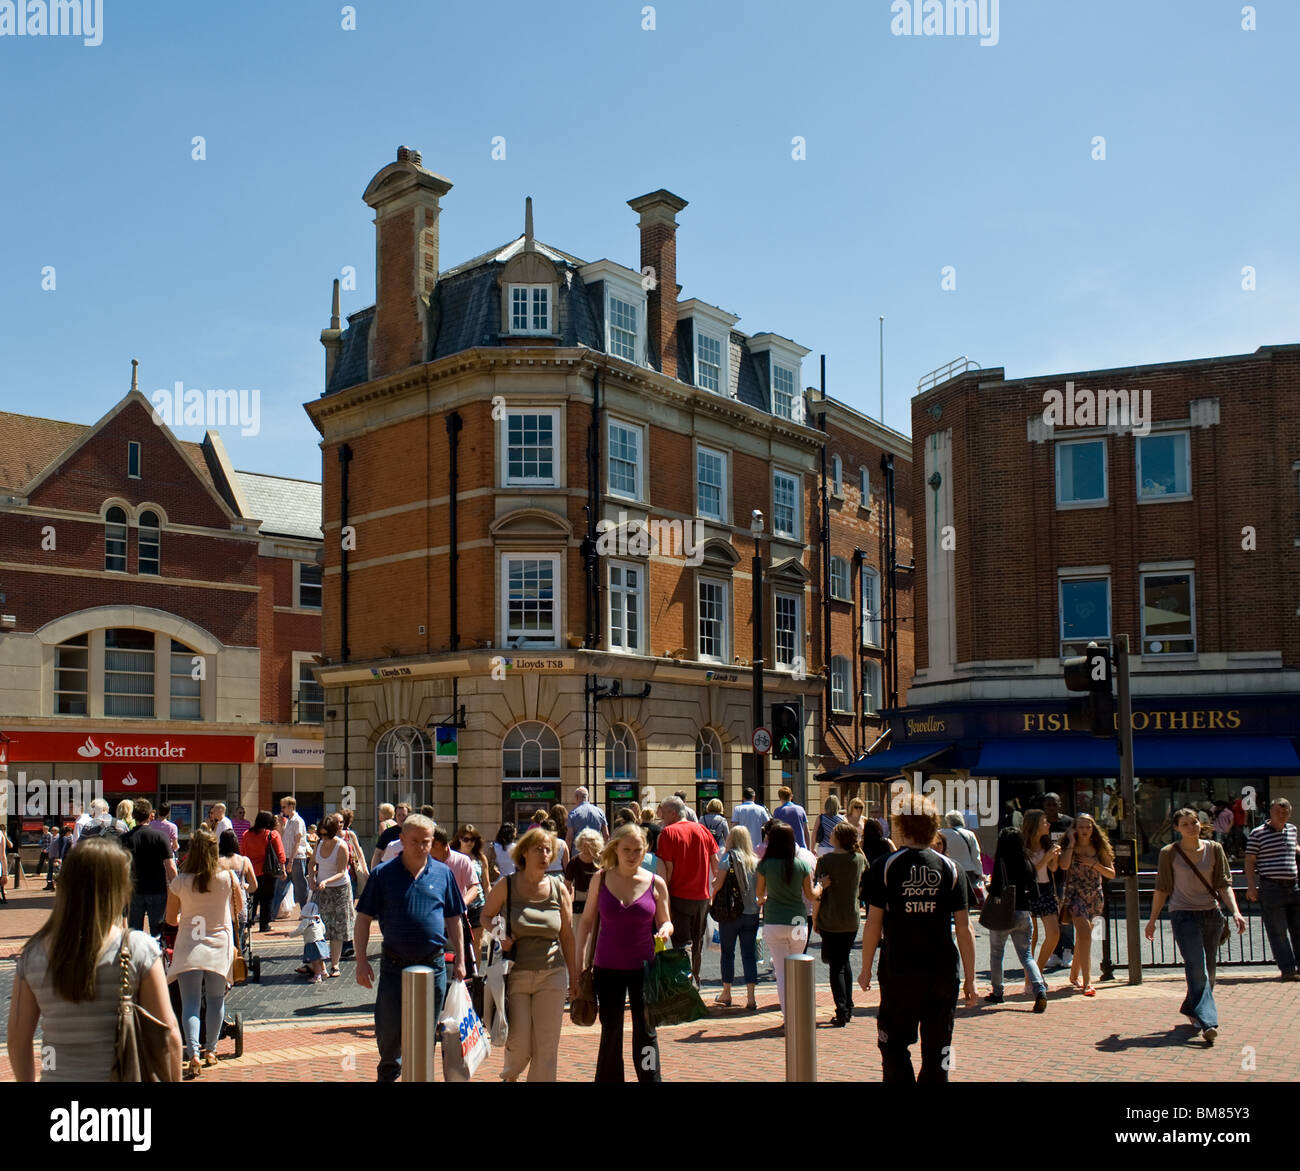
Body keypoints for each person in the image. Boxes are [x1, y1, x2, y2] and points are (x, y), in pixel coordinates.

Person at [8, 836, 183, 1082]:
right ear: (120, 888)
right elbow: (170, 1036)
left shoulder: (33, 954)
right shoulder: (138, 949)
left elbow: (18, 1039)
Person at [859, 793, 978, 1083]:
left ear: (901, 826)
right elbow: (964, 928)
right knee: (939, 1051)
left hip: (899, 970)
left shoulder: (886, 866)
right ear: (933, 826)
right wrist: (971, 978)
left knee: (893, 1044)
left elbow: (873, 922)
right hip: (941, 973)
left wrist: (865, 969)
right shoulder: (951, 869)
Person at [354, 814, 466, 1081]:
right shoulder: (383, 875)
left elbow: (453, 918)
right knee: (390, 1033)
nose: (421, 847)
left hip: (434, 965)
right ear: (402, 840)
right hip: (394, 966)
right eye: (414, 841)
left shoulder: (443, 874)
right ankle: (389, 1074)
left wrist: (461, 959)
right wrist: (361, 960)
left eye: (426, 842)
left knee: (425, 1035)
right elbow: (363, 919)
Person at [481, 826, 580, 1082]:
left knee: (547, 1048)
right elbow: (485, 916)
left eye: (549, 850)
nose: (545, 854)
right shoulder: (508, 884)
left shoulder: (559, 888)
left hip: (553, 974)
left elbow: (567, 937)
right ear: (524, 852)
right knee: (520, 1044)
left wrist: (576, 978)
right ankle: (509, 1076)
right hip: (516, 975)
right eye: (539, 849)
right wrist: (500, 934)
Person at [576, 823, 673, 1082]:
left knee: (646, 1032)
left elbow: (666, 920)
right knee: (611, 1031)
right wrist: (578, 965)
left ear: (646, 850)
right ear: (615, 848)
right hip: (607, 967)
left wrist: (666, 929)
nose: (632, 855)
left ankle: (651, 1079)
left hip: (644, 968)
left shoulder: (656, 882)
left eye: (638, 849)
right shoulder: (601, 878)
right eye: (626, 849)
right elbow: (585, 922)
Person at [1147, 808, 1245, 1043]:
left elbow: (1224, 884)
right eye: (1185, 824)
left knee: (1208, 970)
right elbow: (1161, 888)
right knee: (1196, 965)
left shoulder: (1214, 849)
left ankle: (1192, 1008)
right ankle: (1207, 1022)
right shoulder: (1169, 853)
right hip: (1183, 915)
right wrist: (1152, 921)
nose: (1192, 827)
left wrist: (1236, 912)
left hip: (1211, 914)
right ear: (1177, 828)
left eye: (1194, 822)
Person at [166, 825, 242, 1077]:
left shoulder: (180, 881)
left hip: (189, 944)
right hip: (219, 944)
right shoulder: (227, 877)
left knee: (189, 1004)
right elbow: (238, 909)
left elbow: (171, 919)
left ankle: (194, 1053)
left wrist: (186, 914)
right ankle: (211, 1050)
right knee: (215, 1000)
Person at [755, 821, 816, 1020]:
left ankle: (788, 1016)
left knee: (781, 973)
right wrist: (822, 887)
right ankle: (801, 1013)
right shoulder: (802, 865)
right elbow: (811, 894)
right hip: (798, 920)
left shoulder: (765, 865)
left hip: (774, 920)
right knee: (798, 969)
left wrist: (764, 898)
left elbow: (759, 894)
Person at [655, 795, 719, 985]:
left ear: (673, 813)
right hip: (702, 897)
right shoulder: (703, 830)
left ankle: (686, 983)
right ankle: (696, 979)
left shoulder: (668, 833)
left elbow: (667, 868)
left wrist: (662, 898)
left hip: (678, 895)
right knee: (696, 943)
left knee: (683, 944)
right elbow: (716, 865)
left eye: (664, 813)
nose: (661, 817)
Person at [984, 826, 1049, 1012]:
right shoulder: (1026, 861)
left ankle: (997, 992)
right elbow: (1034, 891)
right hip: (1023, 912)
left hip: (1003, 913)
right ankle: (1039, 990)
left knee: (997, 954)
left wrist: (988, 884)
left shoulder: (1002, 862)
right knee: (1026, 955)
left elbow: (996, 889)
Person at [813, 822, 866, 1025]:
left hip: (830, 917)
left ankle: (842, 1009)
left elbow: (819, 893)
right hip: (851, 918)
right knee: (844, 961)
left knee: (836, 966)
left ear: (838, 838)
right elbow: (866, 864)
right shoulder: (858, 859)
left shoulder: (826, 861)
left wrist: (815, 919)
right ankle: (848, 1006)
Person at [1057, 812, 1115, 996]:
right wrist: (1071, 844)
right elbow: (1064, 866)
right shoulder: (1069, 847)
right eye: (1080, 827)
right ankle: (1088, 981)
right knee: (1084, 934)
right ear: (1074, 829)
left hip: (1095, 895)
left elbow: (1111, 873)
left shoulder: (1100, 848)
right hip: (1075, 895)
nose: (1084, 830)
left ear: (1093, 828)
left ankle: (1074, 974)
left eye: (1087, 827)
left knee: (1085, 936)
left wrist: (1094, 864)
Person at [1244, 797, 1300, 980]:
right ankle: (1288, 969)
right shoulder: (1257, 833)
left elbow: (1292, 849)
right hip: (1271, 887)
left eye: (1285, 812)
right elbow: (1250, 862)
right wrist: (1251, 886)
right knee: (1278, 931)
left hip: (1294, 886)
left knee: (1298, 929)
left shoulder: (1292, 830)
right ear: (1270, 812)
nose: (1282, 815)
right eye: (1278, 811)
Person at [712, 825, 760, 1011]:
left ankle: (727, 992)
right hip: (751, 913)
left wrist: (713, 882)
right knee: (749, 955)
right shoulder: (754, 861)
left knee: (728, 953)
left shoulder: (727, 859)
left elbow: (718, 884)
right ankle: (751, 997)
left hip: (731, 914)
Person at [308, 813, 356, 977]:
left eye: (326, 834)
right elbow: (312, 863)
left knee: (337, 929)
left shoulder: (341, 846)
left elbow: (342, 872)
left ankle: (335, 965)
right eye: (320, 834)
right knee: (316, 927)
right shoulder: (319, 844)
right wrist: (312, 877)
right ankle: (319, 965)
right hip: (321, 890)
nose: (323, 837)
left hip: (339, 889)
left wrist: (326, 881)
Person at [124, 799, 177, 941]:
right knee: (158, 933)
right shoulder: (161, 837)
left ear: (134, 816)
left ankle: (135, 960)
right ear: (150, 816)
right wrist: (177, 888)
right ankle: (157, 960)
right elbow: (170, 866)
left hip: (134, 890)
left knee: (134, 933)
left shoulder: (124, 839)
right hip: (157, 889)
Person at [1021, 809, 1062, 980]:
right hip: (1028, 890)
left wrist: (1054, 858)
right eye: (1045, 822)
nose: (1048, 824)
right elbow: (1026, 873)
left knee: (1054, 933)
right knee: (1032, 936)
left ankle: (1037, 971)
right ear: (1036, 825)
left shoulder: (1047, 844)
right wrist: (1045, 860)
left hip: (1045, 889)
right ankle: (1029, 978)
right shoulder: (1022, 846)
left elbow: (1052, 869)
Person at [1041, 792, 1074, 972]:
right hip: (1046, 876)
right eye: (1048, 805)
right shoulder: (1042, 824)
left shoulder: (1068, 823)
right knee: (1051, 916)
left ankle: (1069, 949)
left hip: (1064, 875)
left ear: (1060, 805)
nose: (1051, 808)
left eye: (1054, 804)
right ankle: (1054, 951)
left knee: (1064, 914)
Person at [240, 810, 287, 932]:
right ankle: (264, 925)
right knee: (267, 899)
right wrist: (283, 869)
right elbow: (280, 853)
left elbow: (243, 852)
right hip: (268, 870)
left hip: (251, 871)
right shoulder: (272, 834)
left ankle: (248, 923)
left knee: (252, 898)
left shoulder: (246, 834)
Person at [456, 824, 490, 952]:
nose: (469, 843)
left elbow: (486, 884)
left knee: (477, 943)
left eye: (473, 839)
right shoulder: (453, 856)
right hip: (458, 905)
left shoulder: (481, 858)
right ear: (459, 839)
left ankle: (475, 972)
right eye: (466, 839)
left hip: (478, 905)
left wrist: (492, 905)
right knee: (458, 943)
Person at [565, 828, 603, 927]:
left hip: (599, 899)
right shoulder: (574, 862)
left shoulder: (602, 861)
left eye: (589, 846)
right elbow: (566, 886)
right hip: (580, 901)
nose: (586, 849)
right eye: (583, 845)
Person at [289, 899, 329, 984]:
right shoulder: (318, 920)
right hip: (321, 942)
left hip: (312, 943)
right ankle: (324, 972)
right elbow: (323, 929)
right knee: (321, 960)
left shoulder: (306, 921)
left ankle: (317, 976)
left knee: (314, 961)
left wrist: (290, 934)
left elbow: (300, 930)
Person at [280, 797, 309, 908]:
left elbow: (297, 841)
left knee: (300, 885)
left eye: (284, 807)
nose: (282, 810)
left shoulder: (297, 821)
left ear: (291, 807)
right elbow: (285, 839)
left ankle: (305, 909)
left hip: (296, 857)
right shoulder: (289, 821)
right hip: (288, 856)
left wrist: (291, 860)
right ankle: (271, 913)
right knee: (280, 886)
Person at [566, 786, 610, 851]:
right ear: (587, 797)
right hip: (596, 851)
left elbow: (569, 838)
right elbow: (606, 835)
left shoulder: (573, 814)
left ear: (577, 797)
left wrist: (567, 854)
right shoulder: (600, 812)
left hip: (578, 853)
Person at [371, 802, 409, 869]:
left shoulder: (413, 832)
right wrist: (373, 873)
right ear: (395, 816)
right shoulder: (388, 832)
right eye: (398, 815)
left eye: (403, 815)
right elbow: (378, 853)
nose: (401, 818)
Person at [772, 786, 810, 850]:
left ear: (780, 798)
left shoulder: (777, 811)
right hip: (801, 847)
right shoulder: (800, 809)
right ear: (791, 796)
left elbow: (775, 832)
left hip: (784, 848)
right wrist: (808, 849)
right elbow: (806, 831)